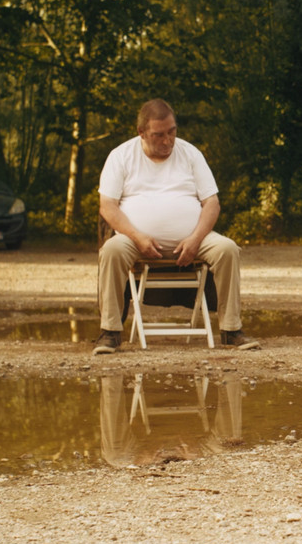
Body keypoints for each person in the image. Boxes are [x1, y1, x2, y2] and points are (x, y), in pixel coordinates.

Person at [94, 99, 259, 354]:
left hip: (194, 237)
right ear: (141, 133)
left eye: (172, 132)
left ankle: (231, 330)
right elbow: (108, 206)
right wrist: (137, 237)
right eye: (158, 135)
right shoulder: (121, 156)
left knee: (227, 249)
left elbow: (212, 203)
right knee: (111, 251)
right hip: (134, 240)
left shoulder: (190, 154)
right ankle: (110, 332)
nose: (167, 141)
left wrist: (195, 239)